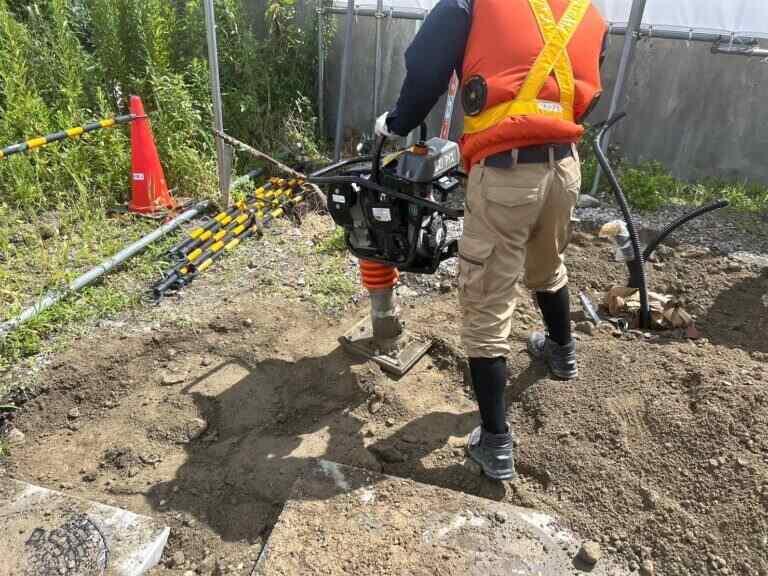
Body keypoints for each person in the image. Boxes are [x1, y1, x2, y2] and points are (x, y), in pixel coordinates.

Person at [375, 0, 607, 480]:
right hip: (563, 167)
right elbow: (586, 95)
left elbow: (426, 65)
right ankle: (562, 353)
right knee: (548, 261)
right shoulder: (588, 12)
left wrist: (396, 124)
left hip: (506, 174)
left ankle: (496, 444)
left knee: (487, 302)